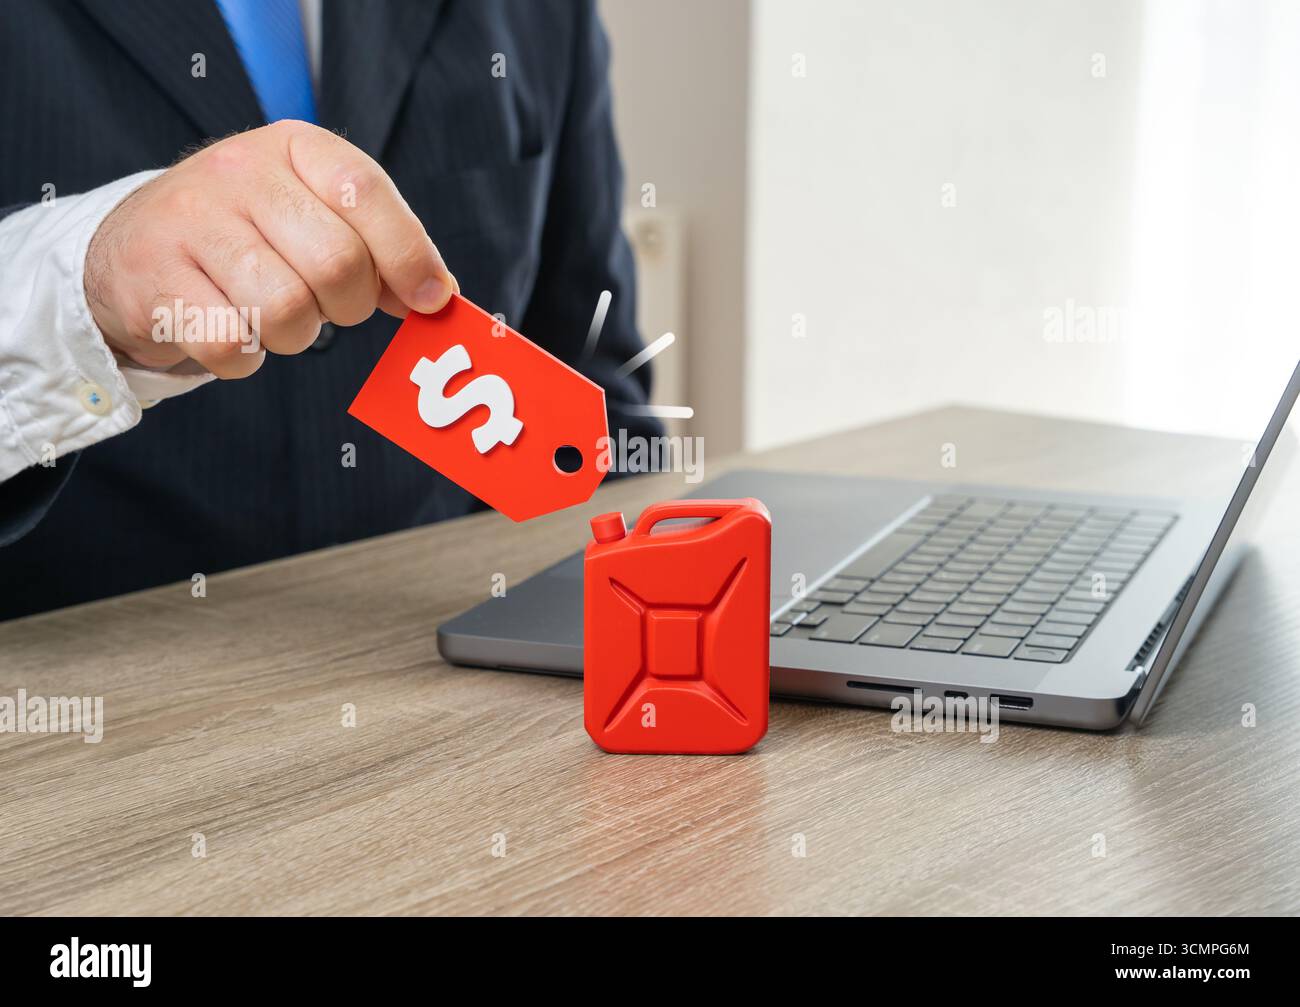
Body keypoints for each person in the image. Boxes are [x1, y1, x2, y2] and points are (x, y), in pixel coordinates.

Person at [0, 0, 658, 620]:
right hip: (90, 677)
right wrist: (81, 278)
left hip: (453, 671)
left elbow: (593, 372)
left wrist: (656, 601)